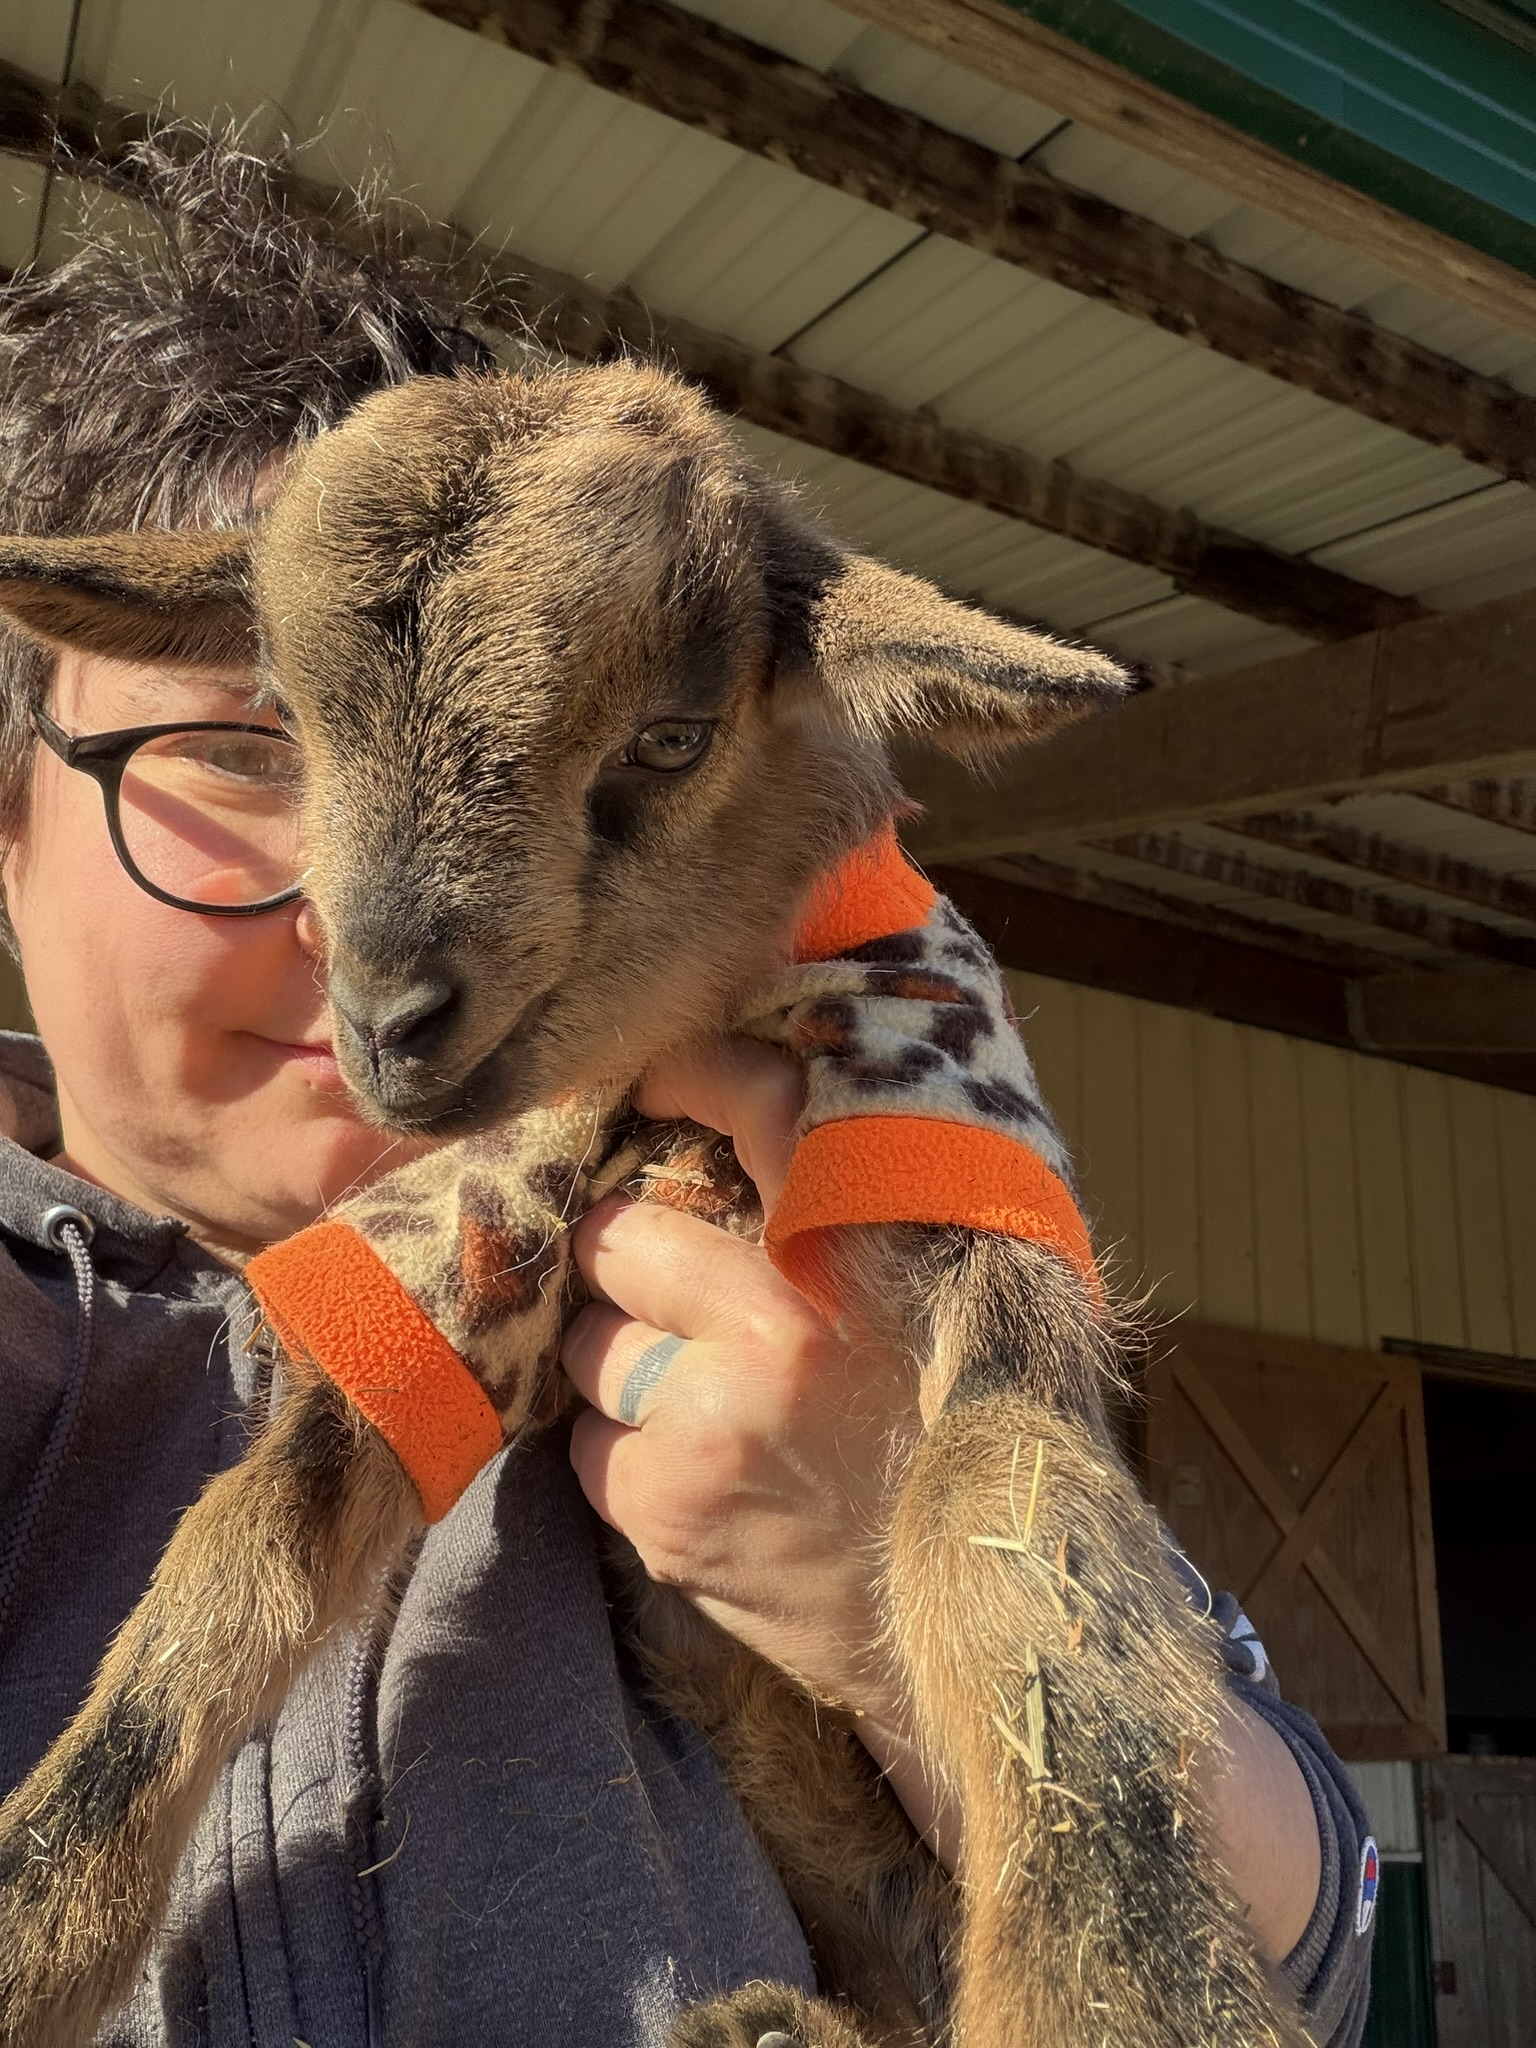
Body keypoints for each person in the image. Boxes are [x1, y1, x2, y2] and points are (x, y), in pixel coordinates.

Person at [0, 135, 1374, 2045]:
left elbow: (1325, 1909)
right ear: (10, 819)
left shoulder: (815, 1171)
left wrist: (875, 1574)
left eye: (622, 743)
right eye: (256, 745)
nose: (354, 923)